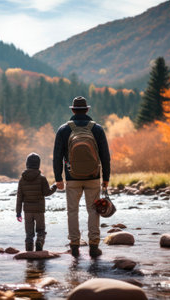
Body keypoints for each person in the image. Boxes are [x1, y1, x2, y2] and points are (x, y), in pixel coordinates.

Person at [53, 96, 110, 258]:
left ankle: (75, 246)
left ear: (72, 110)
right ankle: (93, 246)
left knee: (72, 211)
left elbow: (57, 156)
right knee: (93, 210)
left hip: (72, 177)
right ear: (87, 110)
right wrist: (106, 177)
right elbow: (105, 156)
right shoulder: (97, 129)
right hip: (93, 176)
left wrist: (58, 178)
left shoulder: (64, 130)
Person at [16, 152, 57, 251]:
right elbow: (47, 193)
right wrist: (55, 186)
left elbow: (19, 197)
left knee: (29, 233)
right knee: (41, 230)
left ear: (27, 164)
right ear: (38, 164)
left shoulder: (22, 180)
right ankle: (39, 242)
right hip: (39, 210)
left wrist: (18, 212)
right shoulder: (42, 178)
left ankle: (28, 252)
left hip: (28, 211)